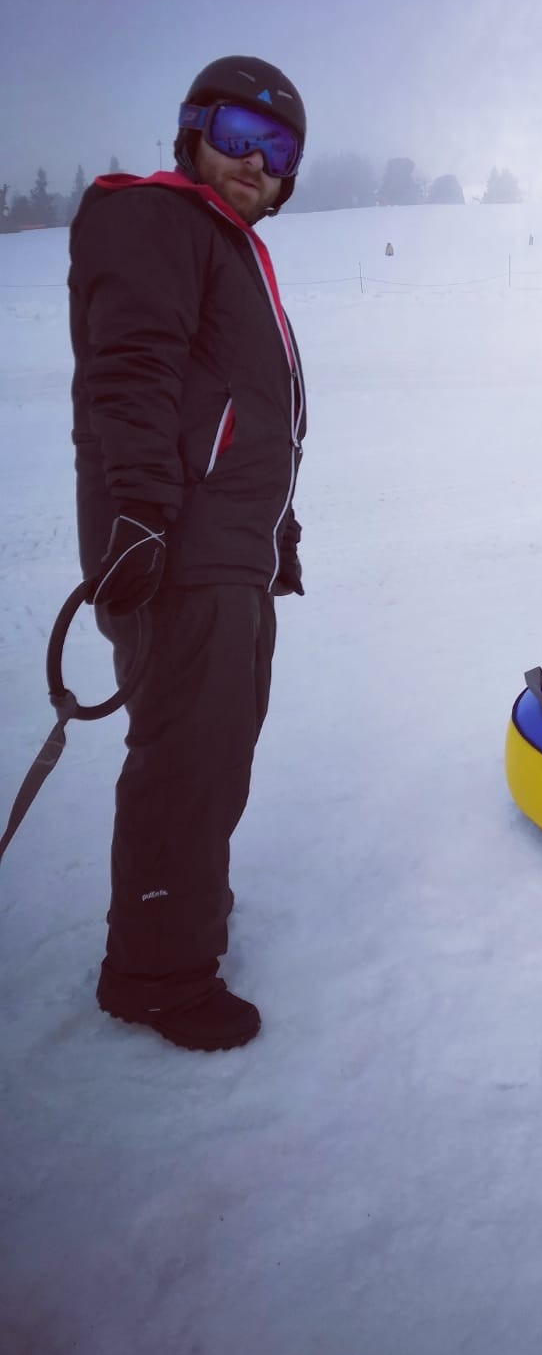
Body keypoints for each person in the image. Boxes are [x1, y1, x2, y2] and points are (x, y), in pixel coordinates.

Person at [69, 55, 308, 1051]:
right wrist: (138, 513)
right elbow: (131, 372)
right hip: (172, 547)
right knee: (186, 758)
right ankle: (157, 975)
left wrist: (274, 527)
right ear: (192, 130)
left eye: (277, 147)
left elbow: (241, 414)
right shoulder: (156, 218)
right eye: (235, 133)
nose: (254, 160)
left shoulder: (225, 245)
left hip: (222, 547)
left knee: (219, 749)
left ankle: (182, 900)